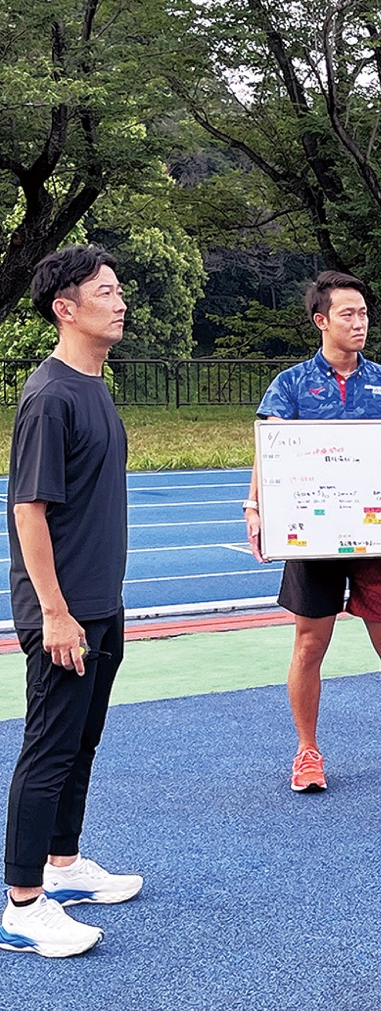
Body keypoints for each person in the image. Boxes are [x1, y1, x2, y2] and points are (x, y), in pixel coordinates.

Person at [245, 270, 381, 794]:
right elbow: (269, 449)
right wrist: (254, 505)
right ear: (321, 321)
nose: (359, 322)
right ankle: (307, 752)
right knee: (309, 643)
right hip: (314, 536)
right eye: (348, 313)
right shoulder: (292, 384)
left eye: (364, 313)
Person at [0, 246, 143, 959]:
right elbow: (29, 511)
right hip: (63, 610)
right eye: (106, 291)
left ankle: (64, 864)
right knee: (48, 750)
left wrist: (94, 606)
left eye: (120, 291)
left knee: (82, 742)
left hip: (100, 601)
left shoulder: (95, 384)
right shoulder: (49, 394)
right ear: (66, 307)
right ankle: (22, 903)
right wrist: (55, 611)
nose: (120, 302)